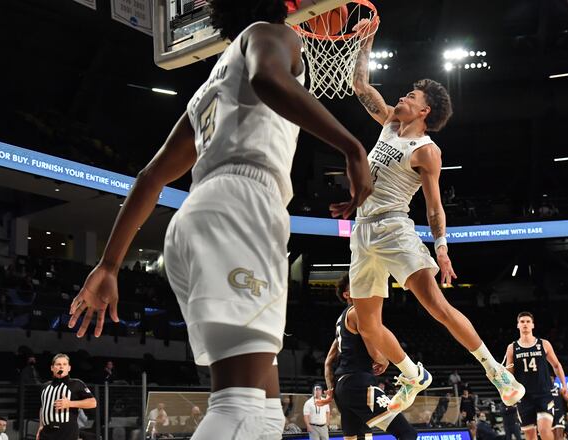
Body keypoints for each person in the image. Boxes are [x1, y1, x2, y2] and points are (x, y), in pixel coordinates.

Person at [67, 1, 372, 439]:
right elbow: (268, 77)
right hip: (241, 209)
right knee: (240, 408)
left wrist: (111, 264)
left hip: (197, 218)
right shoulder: (271, 33)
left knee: (265, 413)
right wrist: (352, 147)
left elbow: (150, 177)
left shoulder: (210, 89)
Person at [346, 17, 524, 413]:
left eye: (411, 95)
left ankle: (495, 370)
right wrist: (367, 40)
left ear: (425, 109)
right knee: (365, 322)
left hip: (394, 228)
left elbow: (434, 204)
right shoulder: (391, 123)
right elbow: (360, 86)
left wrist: (441, 247)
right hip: (362, 231)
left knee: (436, 305)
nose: (403, 97)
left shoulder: (427, 151)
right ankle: (412, 373)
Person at [317, 274, 418, 440]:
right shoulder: (357, 312)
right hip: (358, 384)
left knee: (360, 438)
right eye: (356, 286)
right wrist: (383, 360)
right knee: (408, 434)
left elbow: (328, 362)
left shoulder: (340, 321)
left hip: (342, 389)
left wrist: (330, 390)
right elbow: (374, 352)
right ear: (346, 295)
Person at [503, 312, 568, 440]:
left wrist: (564, 386)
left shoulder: (544, 344)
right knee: (530, 436)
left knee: (544, 430)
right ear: (518, 325)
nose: (525, 324)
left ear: (533, 325)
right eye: (522, 322)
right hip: (524, 396)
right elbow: (508, 375)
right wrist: (507, 389)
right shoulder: (512, 348)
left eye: (528, 321)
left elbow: (557, 365)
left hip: (544, 394)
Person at [36, 354, 96, 440]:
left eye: (64, 364)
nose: (61, 367)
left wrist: (70, 403)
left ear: (69, 368)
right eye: (58, 364)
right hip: (46, 432)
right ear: (52, 368)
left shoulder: (76, 384)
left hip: (67, 433)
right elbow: (43, 407)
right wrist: (41, 426)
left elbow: (93, 402)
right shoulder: (45, 386)